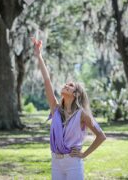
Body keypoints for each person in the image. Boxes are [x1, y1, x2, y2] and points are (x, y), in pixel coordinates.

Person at [32, 37, 106, 180]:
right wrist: (39, 56)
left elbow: (101, 136)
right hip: (56, 161)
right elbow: (47, 81)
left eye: (71, 85)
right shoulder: (55, 109)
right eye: (66, 84)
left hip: (73, 163)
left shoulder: (82, 114)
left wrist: (84, 154)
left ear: (76, 94)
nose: (66, 85)